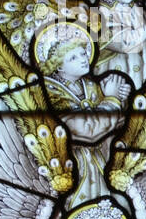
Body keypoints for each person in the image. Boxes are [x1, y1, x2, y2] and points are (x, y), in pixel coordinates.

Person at [34, 22, 132, 209]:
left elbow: (115, 124)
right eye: (73, 57)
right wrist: (111, 99)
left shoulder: (89, 86)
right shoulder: (50, 94)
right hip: (70, 168)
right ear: (58, 66)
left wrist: (120, 99)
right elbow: (87, 131)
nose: (82, 59)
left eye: (82, 53)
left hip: (101, 164)